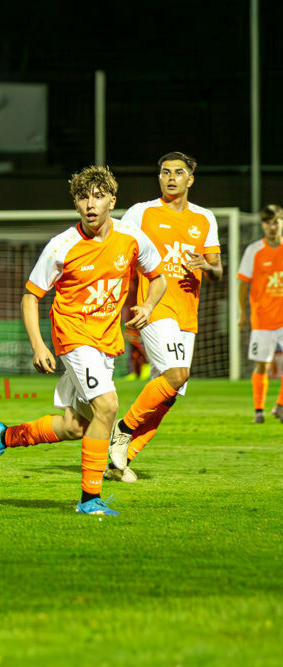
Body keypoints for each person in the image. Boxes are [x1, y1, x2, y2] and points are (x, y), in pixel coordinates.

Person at [0, 165, 166, 516]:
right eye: (82, 197)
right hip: (73, 335)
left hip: (106, 340)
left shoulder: (132, 237)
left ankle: (1, 436)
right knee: (107, 406)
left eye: (97, 196)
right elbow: (31, 296)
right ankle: (89, 500)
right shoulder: (61, 246)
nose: (90, 204)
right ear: (76, 205)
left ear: (112, 200)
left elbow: (158, 277)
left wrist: (149, 306)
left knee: (76, 426)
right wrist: (38, 345)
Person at [106, 152, 222, 480]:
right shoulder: (141, 212)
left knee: (167, 396)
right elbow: (117, 254)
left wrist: (207, 266)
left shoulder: (205, 218)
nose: (171, 177)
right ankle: (124, 429)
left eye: (178, 172)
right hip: (154, 308)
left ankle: (121, 460)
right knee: (177, 375)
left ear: (191, 179)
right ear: (159, 177)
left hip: (188, 315)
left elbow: (218, 271)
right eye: (165, 172)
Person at [238, 204, 283, 424]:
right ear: (263, 225)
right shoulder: (254, 251)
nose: (272, 226)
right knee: (262, 365)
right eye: (268, 222)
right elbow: (242, 283)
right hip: (262, 319)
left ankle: (281, 406)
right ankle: (259, 410)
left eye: (276, 221)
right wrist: (242, 314)